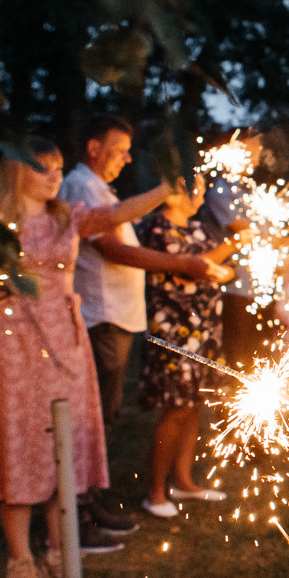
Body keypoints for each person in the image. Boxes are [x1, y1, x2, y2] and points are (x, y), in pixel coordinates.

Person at [0, 138, 178, 578]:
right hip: (14, 341)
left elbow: (118, 213)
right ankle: (20, 563)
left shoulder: (69, 216)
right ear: (16, 172)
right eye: (43, 168)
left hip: (66, 338)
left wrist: (165, 188)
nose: (54, 176)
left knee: (64, 446)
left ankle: (61, 553)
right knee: (21, 445)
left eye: (58, 168)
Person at [59, 113, 222, 544]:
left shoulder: (99, 189)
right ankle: (78, 517)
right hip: (100, 316)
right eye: (120, 149)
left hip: (117, 316)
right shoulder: (79, 186)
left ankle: (90, 506)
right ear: (93, 148)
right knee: (90, 420)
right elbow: (112, 250)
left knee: (102, 417)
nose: (129, 159)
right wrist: (182, 264)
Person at [135, 178, 243, 519]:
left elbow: (223, 271)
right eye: (196, 188)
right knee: (176, 406)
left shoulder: (200, 228)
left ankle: (182, 481)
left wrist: (219, 269)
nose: (202, 194)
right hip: (173, 330)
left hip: (205, 328)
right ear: (178, 193)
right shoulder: (155, 228)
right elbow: (186, 272)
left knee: (195, 402)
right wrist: (233, 246)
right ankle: (155, 492)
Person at [200, 128, 274, 368]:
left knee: (259, 357)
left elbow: (270, 231)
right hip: (233, 287)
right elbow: (251, 234)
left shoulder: (252, 191)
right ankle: (229, 404)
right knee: (236, 358)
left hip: (259, 286)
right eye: (253, 145)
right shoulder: (221, 191)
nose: (259, 150)